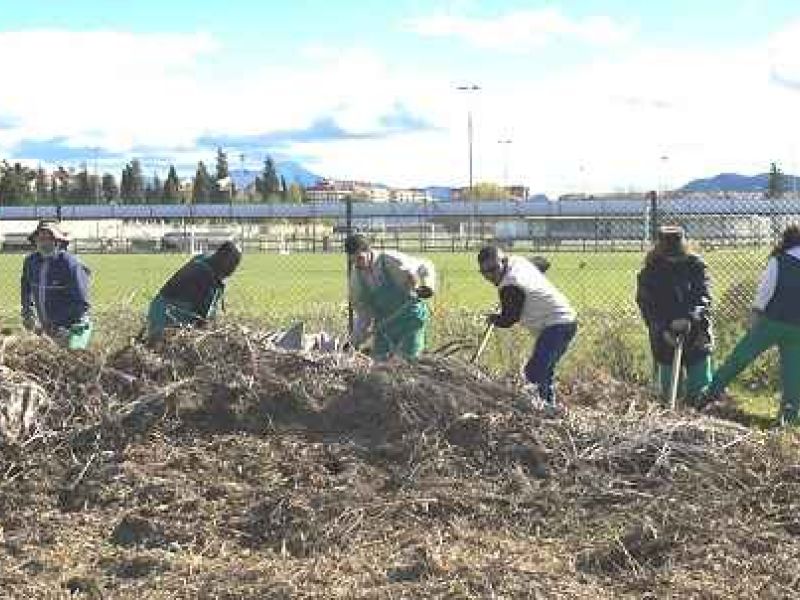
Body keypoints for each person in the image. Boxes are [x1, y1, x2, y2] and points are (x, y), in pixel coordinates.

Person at [701, 224, 800, 425]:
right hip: (797, 328)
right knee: (793, 373)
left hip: (771, 321)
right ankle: (787, 418)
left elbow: (766, 290)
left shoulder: (779, 260)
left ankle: (709, 394)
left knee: (741, 357)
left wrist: (756, 312)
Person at [477, 245, 577, 412]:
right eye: (484, 272)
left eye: (494, 269)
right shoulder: (518, 261)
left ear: (503, 261)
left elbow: (509, 319)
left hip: (557, 324)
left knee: (534, 372)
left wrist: (494, 318)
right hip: (564, 321)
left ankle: (543, 410)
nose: (490, 276)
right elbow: (543, 263)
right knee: (544, 370)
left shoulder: (510, 285)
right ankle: (548, 408)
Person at [636, 226, 713, 405]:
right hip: (664, 335)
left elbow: (704, 297)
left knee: (700, 388)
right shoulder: (650, 273)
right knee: (669, 389)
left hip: (696, 332)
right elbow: (647, 306)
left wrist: (690, 319)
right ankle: (671, 418)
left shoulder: (695, 266)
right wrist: (664, 328)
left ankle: (702, 416)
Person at [345, 234, 434, 361]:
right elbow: (364, 316)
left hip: (410, 318)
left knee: (409, 362)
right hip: (385, 326)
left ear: (369, 251)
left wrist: (427, 285)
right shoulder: (356, 280)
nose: (358, 264)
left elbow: (424, 266)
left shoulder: (389, 260)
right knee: (379, 365)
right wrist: (353, 342)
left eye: (359, 258)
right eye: (353, 260)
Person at [146, 240, 242, 342]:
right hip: (168, 319)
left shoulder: (202, 259)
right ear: (223, 260)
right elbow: (203, 319)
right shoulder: (208, 277)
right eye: (233, 263)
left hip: (157, 310)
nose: (233, 269)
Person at [20, 220, 92, 349]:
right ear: (35, 241)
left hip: (72, 329)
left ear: (58, 242)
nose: (44, 243)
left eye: (49, 239)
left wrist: (61, 326)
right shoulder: (31, 262)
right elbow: (26, 287)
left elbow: (82, 303)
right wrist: (27, 312)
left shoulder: (70, 264)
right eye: (40, 239)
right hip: (47, 327)